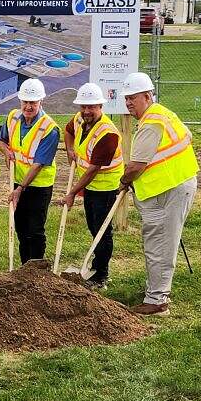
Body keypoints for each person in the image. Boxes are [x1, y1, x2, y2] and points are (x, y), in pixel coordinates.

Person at [119, 72, 199, 316]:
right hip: (174, 184)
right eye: (126, 99)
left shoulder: (152, 122)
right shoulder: (164, 114)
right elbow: (188, 136)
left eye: (133, 98)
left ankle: (157, 300)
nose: (129, 103)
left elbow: (136, 165)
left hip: (169, 190)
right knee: (161, 242)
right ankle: (155, 291)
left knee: (160, 245)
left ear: (147, 95)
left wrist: (124, 180)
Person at [61, 83, 124, 290]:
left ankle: (101, 274)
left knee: (102, 231)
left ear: (100, 106)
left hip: (105, 187)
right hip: (90, 187)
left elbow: (92, 169)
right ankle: (97, 267)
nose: (87, 111)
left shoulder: (108, 134)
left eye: (91, 107)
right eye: (83, 107)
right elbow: (68, 130)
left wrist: (71, 193)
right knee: (92, 227)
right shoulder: (80, 120)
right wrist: (70, 149)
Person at [0, 79, 60, 264]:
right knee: (21, 228)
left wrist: (20, 188)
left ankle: (37, 268)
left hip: (38, 186)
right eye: (25, 102)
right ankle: (24, 267)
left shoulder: (49, 129)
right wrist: (6, 151)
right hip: (18, 182)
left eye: (33, 102)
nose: (28, 106)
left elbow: (38, 164)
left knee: (35, 229)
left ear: (41, 101)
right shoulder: (13, 117)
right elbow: (1, 141)